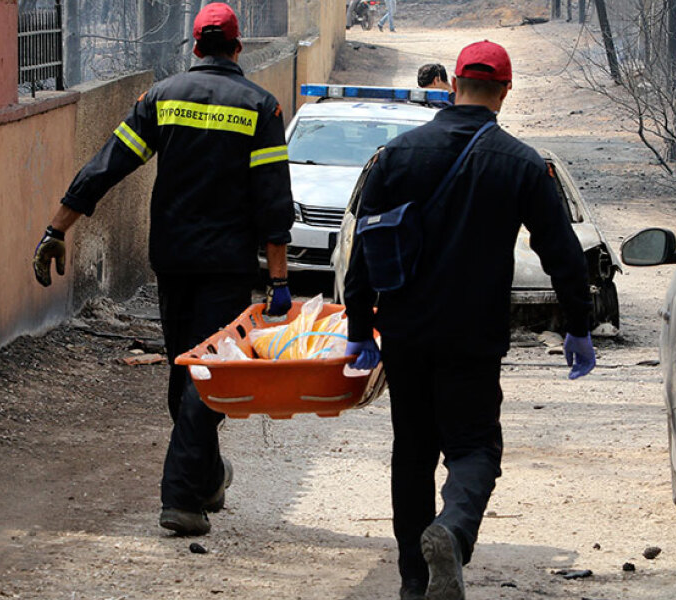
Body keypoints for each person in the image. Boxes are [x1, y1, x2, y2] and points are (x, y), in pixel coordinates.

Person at [343, 40, 596, 600]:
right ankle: (453, 532)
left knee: (412, 453)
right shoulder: (522, 163)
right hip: (473, 337)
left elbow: (365, 247)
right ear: (505, 91)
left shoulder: (397, 154)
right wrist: (577, 324)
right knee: (475, 449)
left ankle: (415, 583)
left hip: (405, 334)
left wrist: (360, 327)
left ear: (454, 83)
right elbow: (562, 251)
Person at [32, 2, 294, 537]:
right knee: (205, 374)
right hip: (224, 267)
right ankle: (182, 499)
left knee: (185, 372)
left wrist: (57, 227)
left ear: (194, 47)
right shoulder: (260, 107)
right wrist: (280, 280)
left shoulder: (162, 97)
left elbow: (108, 164)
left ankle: (208, 478)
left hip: (171, 260)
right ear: (238, 49)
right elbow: (273, 205)